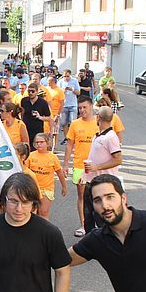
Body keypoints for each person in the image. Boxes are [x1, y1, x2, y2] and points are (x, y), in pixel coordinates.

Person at [63, 96, 99, 237]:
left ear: (91, 107)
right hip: (79, 165)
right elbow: (69, 145)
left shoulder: (98, 123)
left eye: (85, 107)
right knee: (82, 196)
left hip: (96, 166)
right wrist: (65, 164)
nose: (82, 110)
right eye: (80, 108)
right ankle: (84, 225)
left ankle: (99, 225)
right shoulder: (75, 124)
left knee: (98, 195)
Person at [82, 106, 123, 232]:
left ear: (98, 118)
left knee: (102, 218)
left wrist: (97, 167)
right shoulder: (98, 135)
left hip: (103, 184)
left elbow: (118, 160)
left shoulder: (111, 137)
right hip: (91, 182)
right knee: (88, 216)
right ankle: (90, 241)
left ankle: (107, 241)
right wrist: (84, 175)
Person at [27, 133, 67, 221]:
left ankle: (44, 229)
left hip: (46, 189)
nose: (39, 144)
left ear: (47, 143)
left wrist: (64, 187)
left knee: (43, 212)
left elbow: (59, 173)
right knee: (31, 212)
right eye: (37, 142)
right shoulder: (31, 156)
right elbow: (25, 171)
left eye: (41, 142)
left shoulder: (53, 157)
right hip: (33, 188)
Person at [57, 70, 79, 144]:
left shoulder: (74, 81)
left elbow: (78, 92)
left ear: (70, 75)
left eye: (68, 76)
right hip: (64, 104)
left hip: (73, 104)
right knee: (64, 123)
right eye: (64, 76)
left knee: (73, 122)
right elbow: (57, 93)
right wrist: (62, 92)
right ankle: (67, 138)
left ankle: (74, 138)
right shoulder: (60, 82)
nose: (66, 78)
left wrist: (72, 89)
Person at [45, 76, 65, 148]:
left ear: (53, 82)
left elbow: (62, 103)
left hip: (55, 113)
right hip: (46, 113)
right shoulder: (46, 89)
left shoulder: (59, 91)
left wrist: (58, 114)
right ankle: (47, 145)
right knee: (47, 130)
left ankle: (54, 147)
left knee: (55, 132)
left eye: (49, 81)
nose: (47, 83)